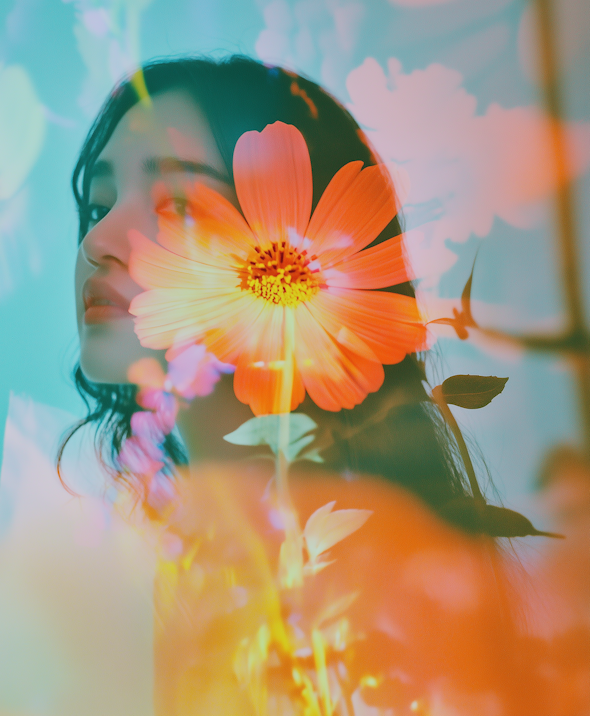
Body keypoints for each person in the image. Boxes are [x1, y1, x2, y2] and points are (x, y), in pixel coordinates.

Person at [65, 54, 471, 521]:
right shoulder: (128, 551)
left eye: (179, 205)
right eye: (98, 208)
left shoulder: (368, 564)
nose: (95, 242)